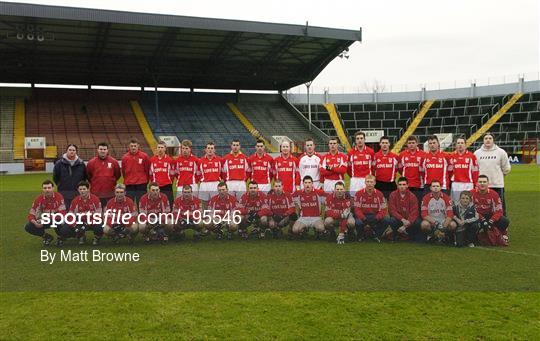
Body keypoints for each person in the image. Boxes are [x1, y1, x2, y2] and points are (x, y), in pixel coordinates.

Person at [474, 133, 511, 214]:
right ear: (483, 140)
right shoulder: (477, 153)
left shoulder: (501, 152)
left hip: (497, 185)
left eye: (490, 138)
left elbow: (506, 168)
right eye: (486, 138)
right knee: (482, 208)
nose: (488, 140)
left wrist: (499, 177)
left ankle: (502, 225)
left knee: (499, 208)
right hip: (482, 186)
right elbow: (474, 169)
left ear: (493, 140)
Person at [24, 180, 67, 246]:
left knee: (62, 223)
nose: (47, 190)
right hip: (45, 220)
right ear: (42, 189)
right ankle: (46, 237)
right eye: (45, 188)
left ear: (53, 188)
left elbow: (62, 214)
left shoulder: (59, 196)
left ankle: (61, 237)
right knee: (28, 227)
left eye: (49, 188)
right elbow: (31, 214)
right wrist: (35, 222)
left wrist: (45, 219)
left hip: (56, 219)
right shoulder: (39, 199)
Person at [471, 175, 510, 242]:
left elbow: (499, 211)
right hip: (477, 216)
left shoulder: (494, 194)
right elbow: (470, 210)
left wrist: (491, 221)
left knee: (504, 221)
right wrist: (482, 219)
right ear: (477, 183)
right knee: (473, 224)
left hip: (490, 216)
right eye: (480, 182)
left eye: (484, 182)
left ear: (488, 183)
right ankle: (475, 236)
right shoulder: (471, 193)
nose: (482, 184)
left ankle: (503, 234)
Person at [353, 175, 391, 243]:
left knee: (387, 219)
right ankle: (361, 236)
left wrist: (376, 218)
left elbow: (383, 209)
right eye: (368, 182)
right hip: (363, 215)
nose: (369, 184)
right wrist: (364, 219)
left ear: (375, 183)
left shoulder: (379, 194)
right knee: (358, 222)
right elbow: (357, 209)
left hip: (375, 215)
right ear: (365, 182)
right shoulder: (359, 193)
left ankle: (376, 235)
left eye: (371, 182)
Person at [68, 181, 103, 245]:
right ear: (78, 190)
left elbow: (98, 216)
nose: (82, 191)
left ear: (88, 189)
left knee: (99, 226)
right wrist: (75, 226)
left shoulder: (95, 199)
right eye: (80, 189)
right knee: (65, 230)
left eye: (84, 189)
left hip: (92, 221)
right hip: (81, 221)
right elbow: (70, 216)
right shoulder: (75, 201)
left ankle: (97, 238)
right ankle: (81, 236)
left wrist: (87, 224)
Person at [86, 142, 121, 207]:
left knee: (109, 211)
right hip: (96, 192)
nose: (103, 151)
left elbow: (117, 174)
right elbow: (88, 176)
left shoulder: (114, 162)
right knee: (97, 211)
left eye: (104, 149)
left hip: (110, 192)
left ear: (107, 150)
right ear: (97, 150)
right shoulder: (91, 162)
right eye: (101, 149)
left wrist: (110, 181)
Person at [53, 144, 87, 209]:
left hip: (77, 192)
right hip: (63, 192)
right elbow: (55, 177)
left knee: (77, 211)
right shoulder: (59, 163)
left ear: (76, 151)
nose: (72, 151)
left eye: (73, 150)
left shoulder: (81, 163)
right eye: (70, 150)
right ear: (66, 151)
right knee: (64, 211)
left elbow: (84, 177)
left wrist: (80, 187)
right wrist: (61, 184)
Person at [388, 177, 421, 242]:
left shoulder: (412, 196)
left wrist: (406, 225)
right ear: (397, 186)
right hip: (399, 219)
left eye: (404, 184)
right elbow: (392, 211)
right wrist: (402, 219)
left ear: (407, 185)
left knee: (417, 222)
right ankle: (396, 235)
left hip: (409, 220)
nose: (402, 186)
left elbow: (414, 212)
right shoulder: (392, 195)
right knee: (392, 220)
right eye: (400, 185)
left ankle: (410, 235)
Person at [448, 137, 478, 204]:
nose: (460, 145)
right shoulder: (451, 156)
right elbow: (449, 171)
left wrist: (475, 184)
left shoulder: (472, 156)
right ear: (455, 145)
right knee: (456, 203)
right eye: (458, 143)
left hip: (468, 184)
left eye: (462, 143)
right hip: (456, 184)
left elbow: (475, 172)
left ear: (465, 145)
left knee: (468, 203)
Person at [121, 138, 150, 204]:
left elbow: (147, 170)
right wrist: (128, 179)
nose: (133, 148)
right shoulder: (125, 157)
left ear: (138, 146)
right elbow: (123, 171)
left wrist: (145, 181)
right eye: (131, 146)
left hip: (141, 184)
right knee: (129, 203)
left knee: (141, 203)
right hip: (129, 184)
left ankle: (141, 214)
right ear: (129, 146)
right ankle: (129, 214)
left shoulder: (144, 156)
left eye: (135, 146)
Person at [398, 136, 424, 204]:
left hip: (419, 184)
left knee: (417, 203)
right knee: (406, 204)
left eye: (413, 143)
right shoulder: (402, 155)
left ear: (417, 143)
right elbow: (400, 169)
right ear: (407, 144)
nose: (411, 144)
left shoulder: (423, 154)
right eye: (409, 143)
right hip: (406, 185)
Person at [348, 131, 375, 196]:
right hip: (355, 179)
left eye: (361, 138)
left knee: (368, 197)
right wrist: (353, 176)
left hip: (367, 179)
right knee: (354, 197)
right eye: (357, 138)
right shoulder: (350, 153)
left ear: (364, 140)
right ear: (355, 140)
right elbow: (348, 168)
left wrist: (370, 177)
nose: (359, 140)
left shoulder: (371, 152)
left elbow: (373, 167)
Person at [149, 141, 175, 206]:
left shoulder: (170, 160)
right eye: (159, 147)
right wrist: (154, 182)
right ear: (156, 148)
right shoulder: (151, 160)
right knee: (155, 203)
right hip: (156, 186)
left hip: (167, 185)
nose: (160, 149)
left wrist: (168, 182)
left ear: (165, 148)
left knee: (169, 203)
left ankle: (169, 215)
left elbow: (172, 174)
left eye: (162, 147)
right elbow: (150, 174)